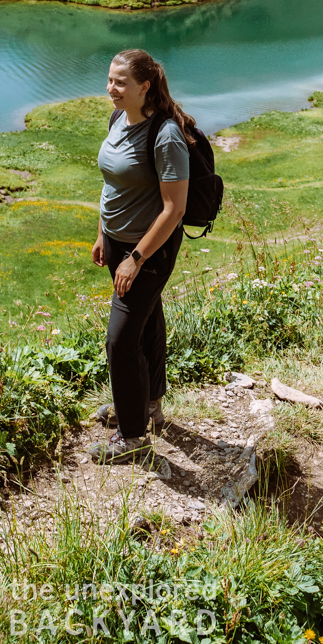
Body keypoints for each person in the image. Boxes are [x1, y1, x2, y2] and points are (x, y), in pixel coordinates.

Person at [88, 48, 192, 463]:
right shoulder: (118, 119)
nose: (111, 88)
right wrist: (102, 234)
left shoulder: (165, 136)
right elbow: (111, 184)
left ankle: (131, 437)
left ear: (144, 87)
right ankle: (148, 406)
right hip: (117, 242)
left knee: (120, 339)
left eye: (120, 82)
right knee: (147, 321)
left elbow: (175, 209)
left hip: (148, 250)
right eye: (110, 79)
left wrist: (137, 257)